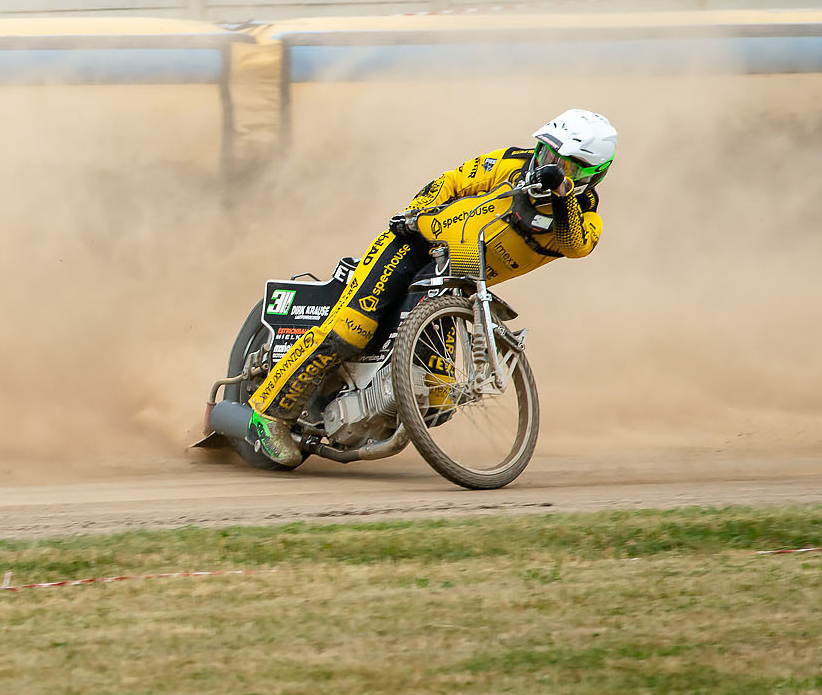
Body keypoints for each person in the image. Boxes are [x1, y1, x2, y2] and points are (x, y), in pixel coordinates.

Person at [237, 109, 617, 467]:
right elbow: (453, 180)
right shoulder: (512, 162)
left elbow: (575, 245)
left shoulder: (586, 218)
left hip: (463, 267)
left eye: (561, 162)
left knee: (438, 400)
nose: (545, 165)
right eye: (545, 151)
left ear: (591, 175)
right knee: (351, 330)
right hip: (414, 242)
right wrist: (419, 215)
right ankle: (269, 414)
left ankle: (377, 402)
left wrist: (562, 195)